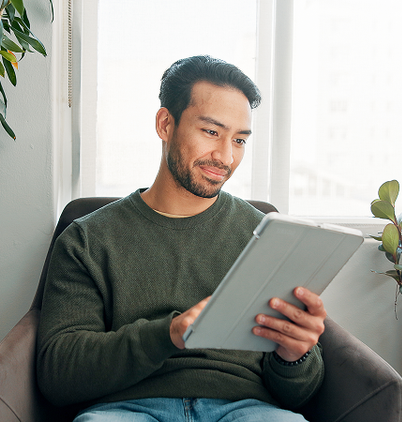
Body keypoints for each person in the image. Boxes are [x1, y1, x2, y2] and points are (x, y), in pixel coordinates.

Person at [36, 55, 326, 421]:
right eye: (211, 132)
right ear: (165, 124)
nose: (225, 156)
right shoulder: (87, 239)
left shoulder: (267, 236)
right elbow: (59, 374)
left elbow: (301, 394)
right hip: (125, 408)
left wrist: (295, 355)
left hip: (246, 408)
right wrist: (169, 333)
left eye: (239, 140)